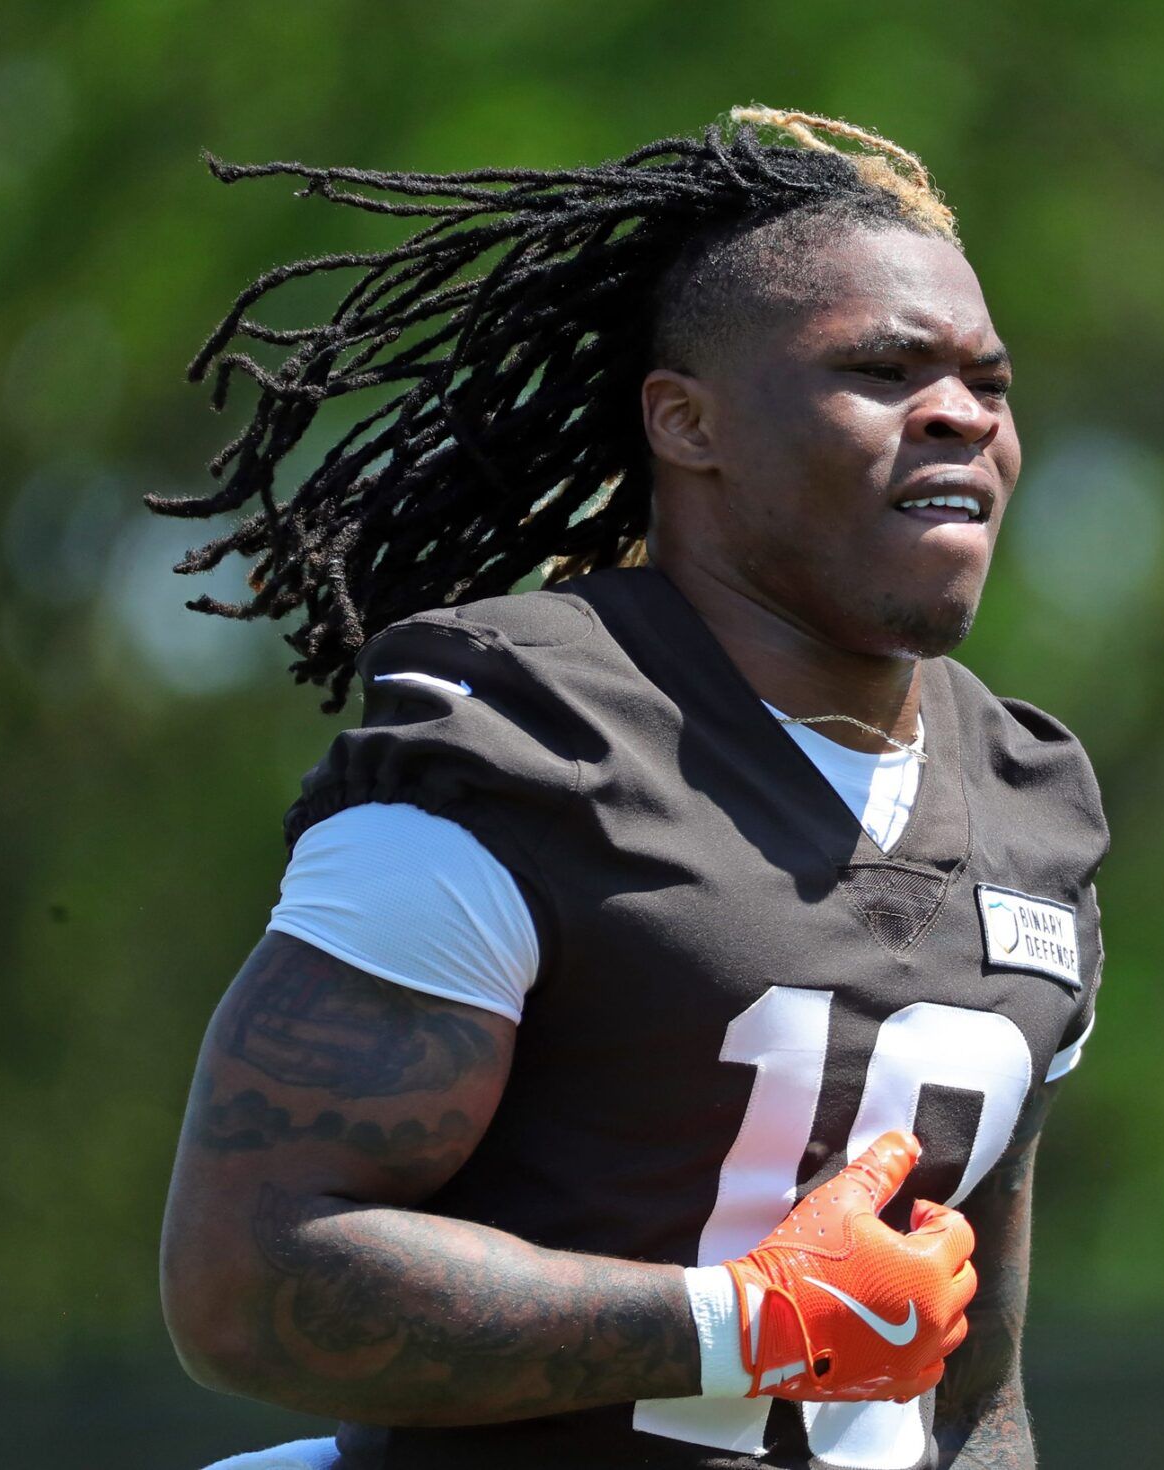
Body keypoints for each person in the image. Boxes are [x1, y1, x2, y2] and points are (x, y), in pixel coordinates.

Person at [157, 107, 1107, 1470]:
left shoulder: (1035, 804)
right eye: (884, 370)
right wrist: (742, 1324)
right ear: (687, 421)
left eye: (988, 382)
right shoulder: (524, 741)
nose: (961, 413)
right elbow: (246, 1279)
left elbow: (972, 1398)